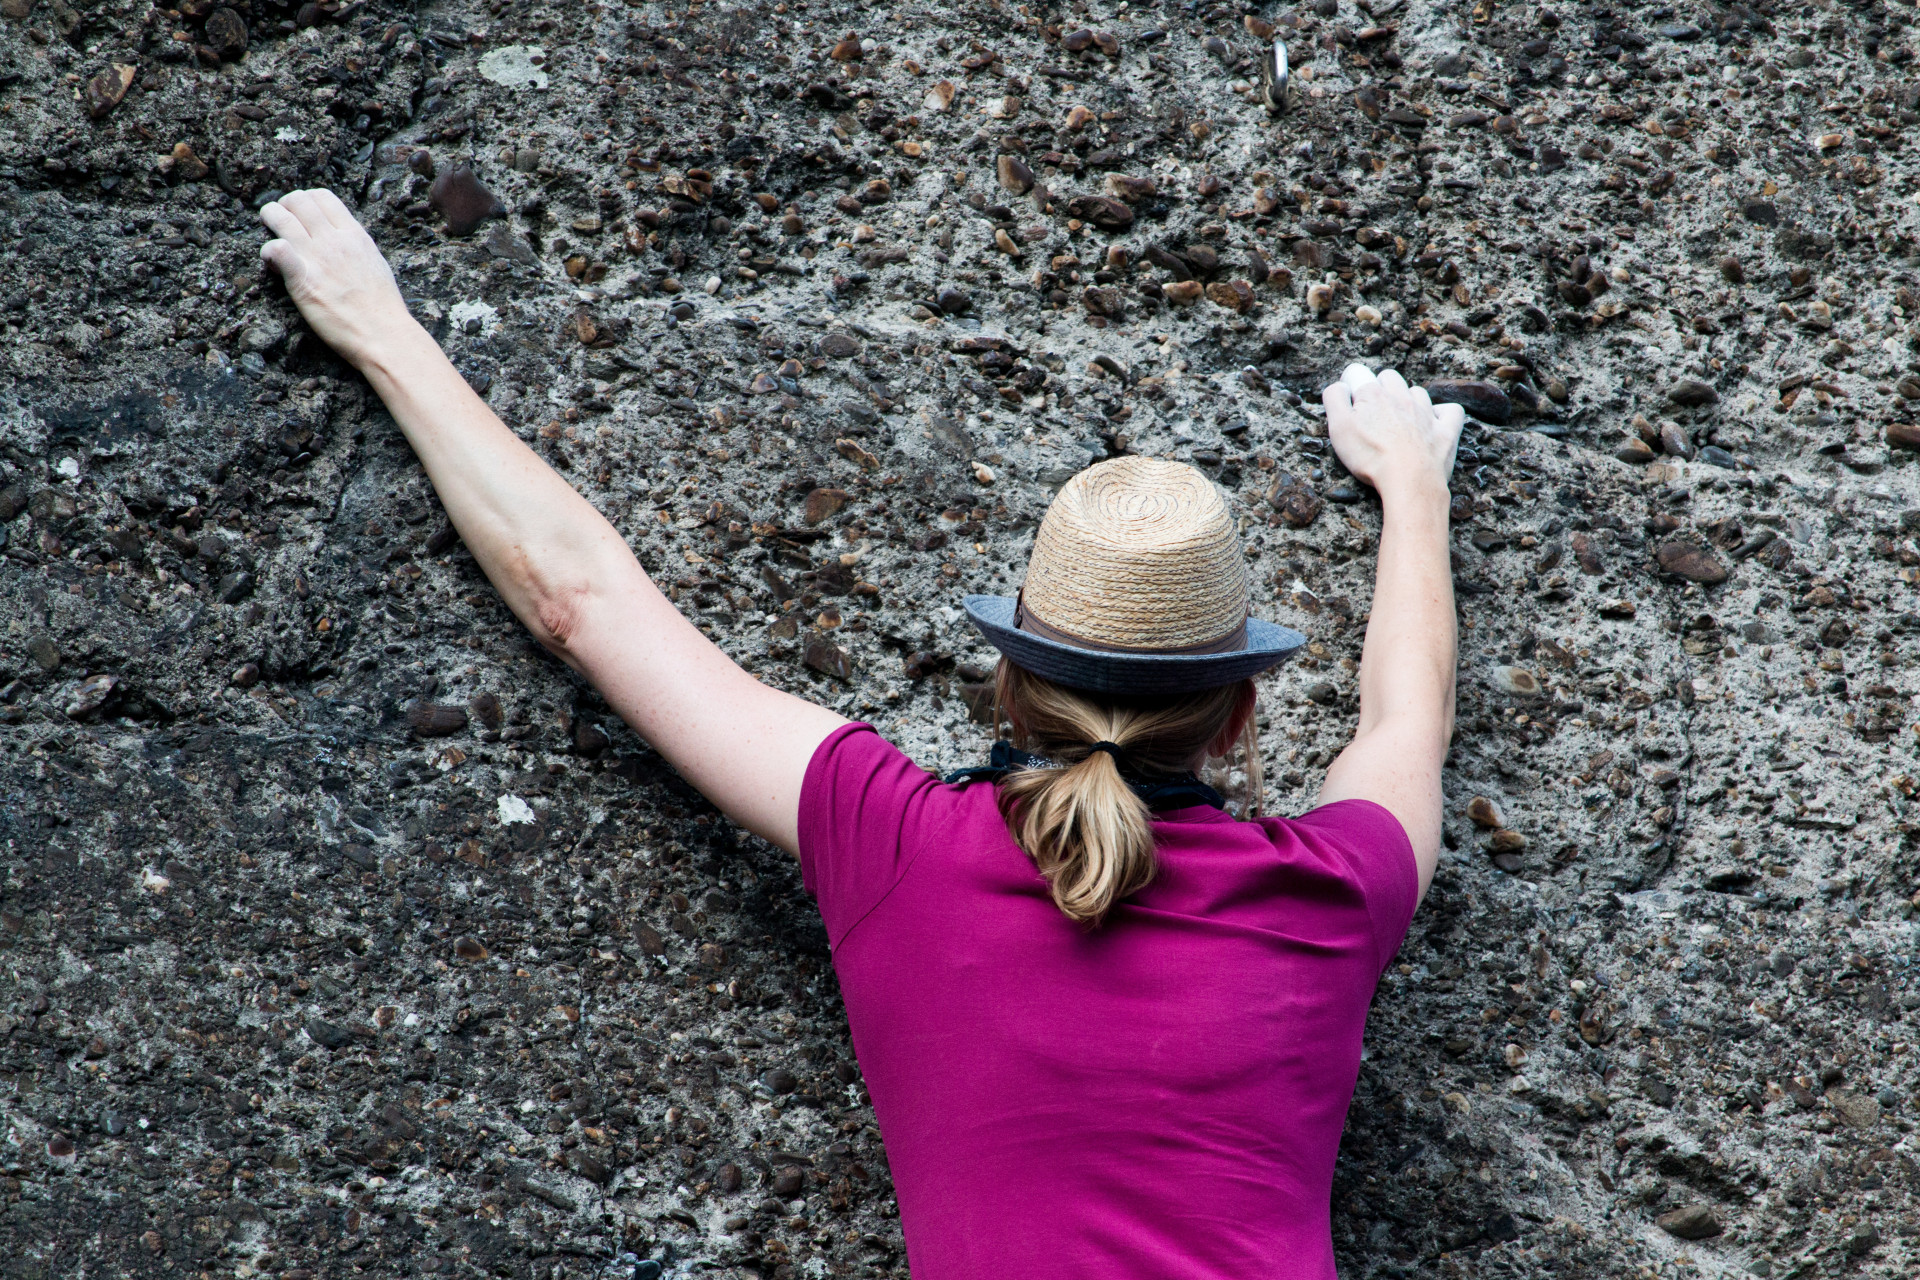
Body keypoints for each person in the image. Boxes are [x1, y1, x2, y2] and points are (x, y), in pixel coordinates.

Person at [258, 189, 1463, 1278]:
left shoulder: (900, 844)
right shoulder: (1336, 890)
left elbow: (581, 602)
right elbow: (1407, 717)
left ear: (1011, 682)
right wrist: (1414, 488)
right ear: (1238, 710)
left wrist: (384, 331)